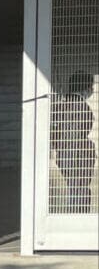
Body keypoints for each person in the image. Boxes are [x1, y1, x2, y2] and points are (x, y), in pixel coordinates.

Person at [51, 71, 96, 213]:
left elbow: (54, 132)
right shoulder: (82, 107)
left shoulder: (60, 105)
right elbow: (84, 130)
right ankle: (79, 216)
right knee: (80, 189)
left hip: (63, 154)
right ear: (85, 88)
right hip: (79, 155)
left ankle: (73, 213)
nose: (92, 90)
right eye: (91, 86)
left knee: (72, 188)